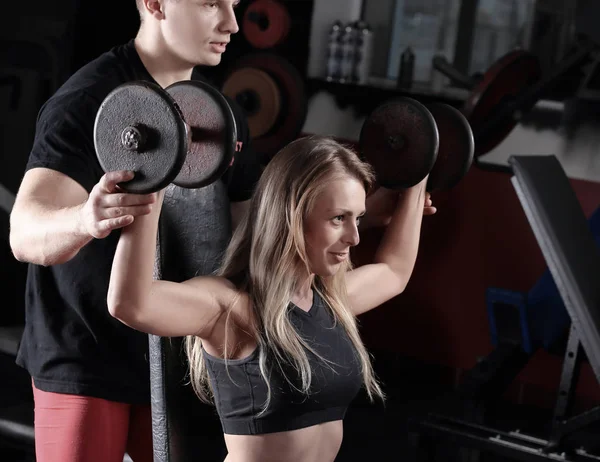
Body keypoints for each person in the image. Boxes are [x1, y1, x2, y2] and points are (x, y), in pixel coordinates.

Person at [8, 1, 263, 461]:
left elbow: (250, 239)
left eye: (234, 4)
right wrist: (86, 219)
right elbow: (24, 233)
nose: (231, 23)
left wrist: (352, 213)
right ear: (155, 4)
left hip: (182, 364)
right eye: (211, 3)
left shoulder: (224, 117)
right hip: (86, 354)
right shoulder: (86, 100)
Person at [107, 135, 437, 462]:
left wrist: (418, 170)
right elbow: (131, 304)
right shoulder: (233, 308)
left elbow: (395, 271)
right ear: (291, 214)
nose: (354, 237)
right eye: (339, 218)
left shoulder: (330, 303)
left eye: (358, 218)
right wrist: (150, 181)